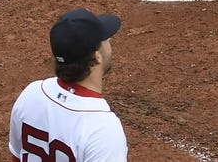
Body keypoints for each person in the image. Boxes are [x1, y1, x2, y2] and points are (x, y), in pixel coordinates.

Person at [8, 8, 128, 161]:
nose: (109, 45)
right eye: (106, 41)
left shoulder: (31, 95)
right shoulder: (103, 130)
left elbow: (17, 156)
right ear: (97, 57)